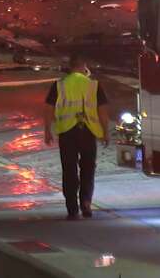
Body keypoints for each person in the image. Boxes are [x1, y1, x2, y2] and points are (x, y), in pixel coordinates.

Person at [44, 53, 110, 219]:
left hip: (67, 131)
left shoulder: (60, 85)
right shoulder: (93, 85)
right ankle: (86, 203)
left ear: (70, 67)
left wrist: (47, 130)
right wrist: (105, 132)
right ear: (84, 66)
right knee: (88, 168)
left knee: (69, 169)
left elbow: (49, 108)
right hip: (88, 131)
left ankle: (72, 208)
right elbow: (102, 111)